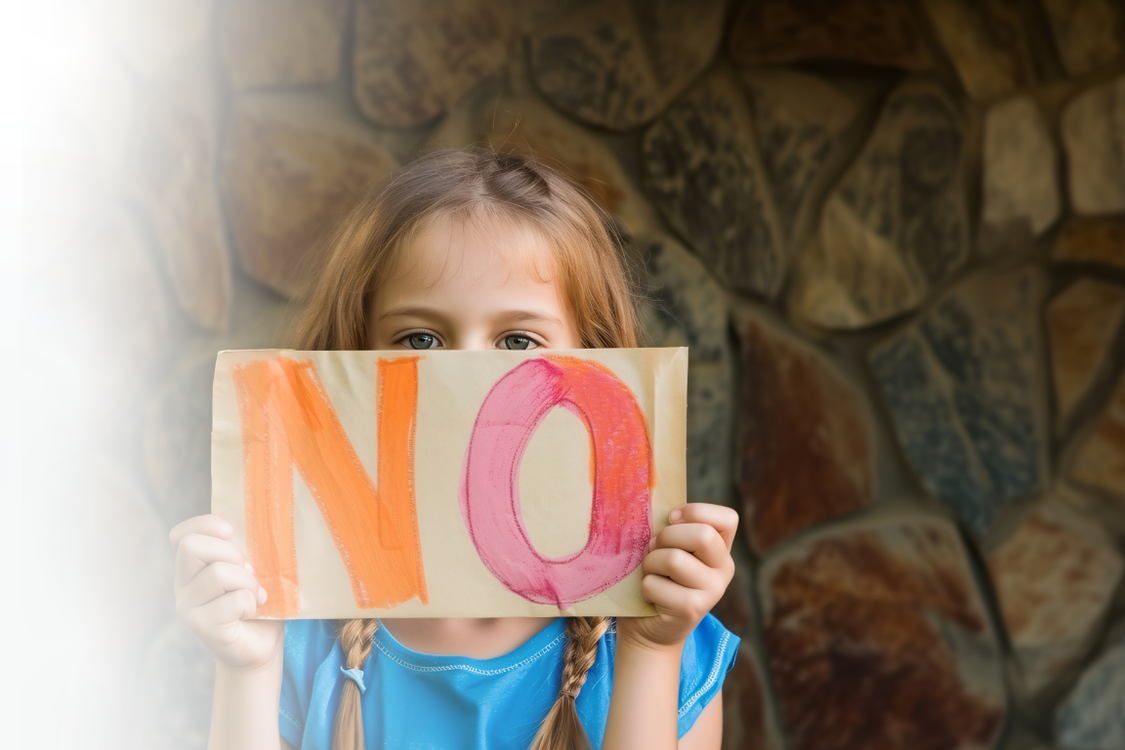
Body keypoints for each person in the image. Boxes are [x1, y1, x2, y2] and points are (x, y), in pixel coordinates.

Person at [170, 147, 741, 750]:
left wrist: (652, 654)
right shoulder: (294, 635)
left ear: (598, 361)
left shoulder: (668, 642)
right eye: (421, 337)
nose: (468, 378)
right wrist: (248, 670)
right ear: (350, 360)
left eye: (517, 341)